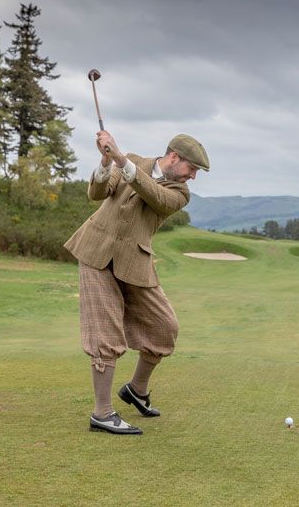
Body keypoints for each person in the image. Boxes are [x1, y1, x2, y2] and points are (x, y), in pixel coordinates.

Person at [64, 130, 209, 435]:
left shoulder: (179, 193)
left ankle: (136, 389)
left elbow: (154, 196)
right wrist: (106, 162)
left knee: (165, 327)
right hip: (96, 253)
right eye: (192, 169)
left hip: (135, 263)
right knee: (105, 332)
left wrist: (118, 159)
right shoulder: (129, 160)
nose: (193, 176)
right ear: (174, 157)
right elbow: (98, 194)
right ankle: (102, 413)